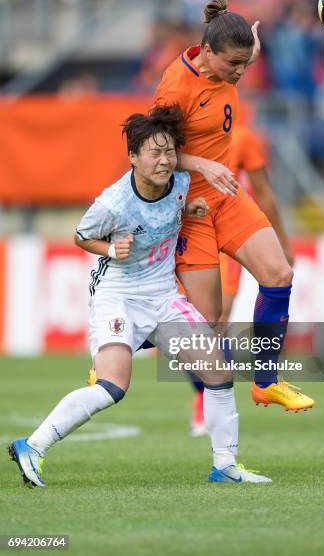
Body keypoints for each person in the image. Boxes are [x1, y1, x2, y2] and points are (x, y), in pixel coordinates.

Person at [8, 105, 271, 486]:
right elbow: (81, 236)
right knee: (112, 387)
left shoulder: (181, 184)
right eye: (154, 153)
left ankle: (226, 465)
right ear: (133, 157)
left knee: (218, 370)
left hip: (163, 297)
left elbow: (169, 213)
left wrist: (191, 210)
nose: (164, 161)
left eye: (169, 152)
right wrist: (113, 250)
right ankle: (33, 445)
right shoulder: (113, 203)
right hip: (118, 297)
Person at [153, 0, 314, 411]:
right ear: (207, 53)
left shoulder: (228, 59)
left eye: (246, 63)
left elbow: (242, 55)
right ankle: (122, 338)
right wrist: (202, 164)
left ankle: (266, 382)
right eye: (234, 65)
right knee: (209, 326)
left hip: (227, 198)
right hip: (190, 211)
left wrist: (251, 49)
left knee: (279, 273)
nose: (241, 73)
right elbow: (148, 151)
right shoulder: (175, 88)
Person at [189, 121, 295, 436]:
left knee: (218, 318)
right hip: (190, 232)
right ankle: (201, 395)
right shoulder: (183, 139)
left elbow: (263, 193)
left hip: (227, 231)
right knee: (189, 322)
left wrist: (282, 244)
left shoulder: (244, 138)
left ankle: (213, 403)